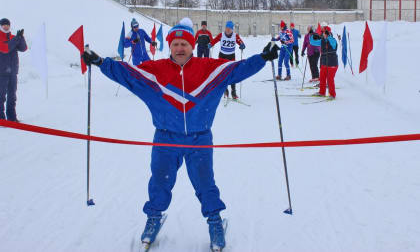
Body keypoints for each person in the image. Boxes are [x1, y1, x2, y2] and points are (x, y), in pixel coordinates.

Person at [81, 18, 279, 251]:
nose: (179, 48)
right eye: (175, 44)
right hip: (166, 138)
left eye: (184, 44)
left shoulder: (209, 69)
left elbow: (238, 69)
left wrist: (263, 58)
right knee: (159, 181)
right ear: (170, 46)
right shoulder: (155, 71)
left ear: (192, 46)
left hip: (199, 138)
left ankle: (215, 221)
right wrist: (101, 62)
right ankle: (154, 217)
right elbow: (127, 73)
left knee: (205, 184)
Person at [0, 18, 27, 122]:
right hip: (2, 72)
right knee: (1, 96)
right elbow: (5, 49)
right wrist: (16, 39)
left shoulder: (12, 37)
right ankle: (1, 119)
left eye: (7, 25)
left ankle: (12, 118)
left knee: (12, 96)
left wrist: (21, 38)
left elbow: (23, 48)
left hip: (13, 72)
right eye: (3, 25)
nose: (6, 26)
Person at [211, 21, 246, 99]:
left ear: (232, 29)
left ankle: (233, 92)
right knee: (223, 73)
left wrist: (242, 45)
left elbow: (241, 43)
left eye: (229, 28)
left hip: (231, 57)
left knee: (232, 74)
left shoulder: (235, 36)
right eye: (227, 28)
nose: (228, 30)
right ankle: (225, 90)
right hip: (222, 56)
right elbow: (215, 40)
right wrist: (211, 44)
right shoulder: (221, 35)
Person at [310, 26, 339, 98]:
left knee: (330, 79)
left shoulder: (333, 40)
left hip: (332, 63)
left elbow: (332, 43)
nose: (323, 34)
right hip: (324, 63)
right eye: (322, 32)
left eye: (324, 32)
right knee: (322, 78)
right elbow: (312, 42)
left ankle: (332, 94)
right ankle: (322, 92)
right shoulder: (322, 40)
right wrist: (312, 35)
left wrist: (327, 36)